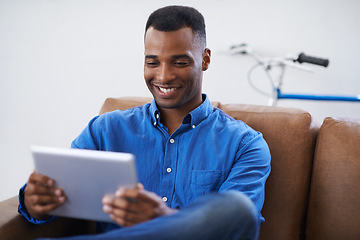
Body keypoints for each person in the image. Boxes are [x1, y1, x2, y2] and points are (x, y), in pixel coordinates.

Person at [18, 5, 271, 240]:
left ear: (204, 59)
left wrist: (166, 220)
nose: (163, 76)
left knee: (239, 210)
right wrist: (36, 203)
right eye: (152, 62)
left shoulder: (245, 144)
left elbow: (238, 227)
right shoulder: (104, 131)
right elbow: (62, 196)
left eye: (180, 62)